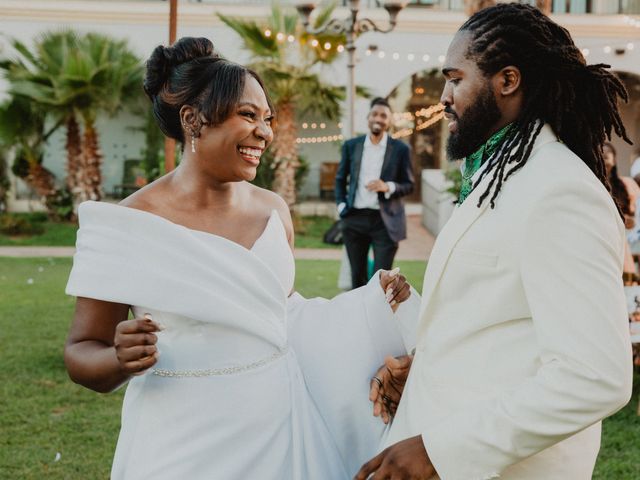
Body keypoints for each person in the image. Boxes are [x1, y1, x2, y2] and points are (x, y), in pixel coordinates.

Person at [63, 37, 420, 479]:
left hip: (279, 428)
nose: (266, 132)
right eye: (248, 116)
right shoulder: (126, 225)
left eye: (267, 119)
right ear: (193, 120)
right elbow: (81, 351)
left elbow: (284, 318)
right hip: (179, 441)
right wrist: (117, 360)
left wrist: (372, 306)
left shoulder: (274, 211)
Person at [356, 4, 633, 479]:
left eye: (455, 78)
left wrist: (442, 451)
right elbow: (497, 322)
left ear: (507, 81)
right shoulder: (499, 177)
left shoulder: (560, 190)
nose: (443, 97)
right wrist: (420, 371)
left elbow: (595, 376)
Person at [335, 97, 414, 289]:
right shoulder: (351, 145)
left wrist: (388, 187)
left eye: (384, 115)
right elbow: (340, 178)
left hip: (385, 221)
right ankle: (358, 319)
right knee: (357, 279)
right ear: (368, 117)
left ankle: (378, 318)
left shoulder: (401, 149)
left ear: (389, 121)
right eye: (375, 114)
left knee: (381, 281)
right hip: (355, 218)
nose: (378, 118)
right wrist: (342, 206)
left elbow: (409, 185)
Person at [603, 141, 640, 283]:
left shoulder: (626, 185)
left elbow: (636, 215)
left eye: (608, 152)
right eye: (601, 151)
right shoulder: (591, 184)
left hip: (626, 245)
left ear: (614, 157)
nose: (604, 154)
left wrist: (631, 222)